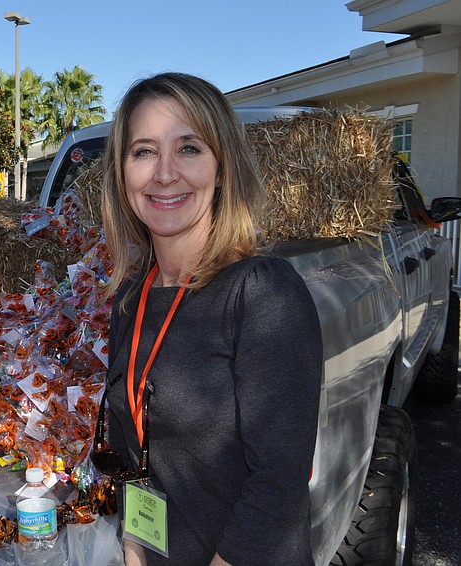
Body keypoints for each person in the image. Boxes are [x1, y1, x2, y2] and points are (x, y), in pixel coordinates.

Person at [97, 72, 322, 566]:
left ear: (223, 167)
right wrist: (136, 553)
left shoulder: (262, 291)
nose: (164, 173)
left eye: (189, 148)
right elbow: (136, 462)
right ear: (122, 174)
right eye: (143, 151)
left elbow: (279, 483)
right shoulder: (131, 298)